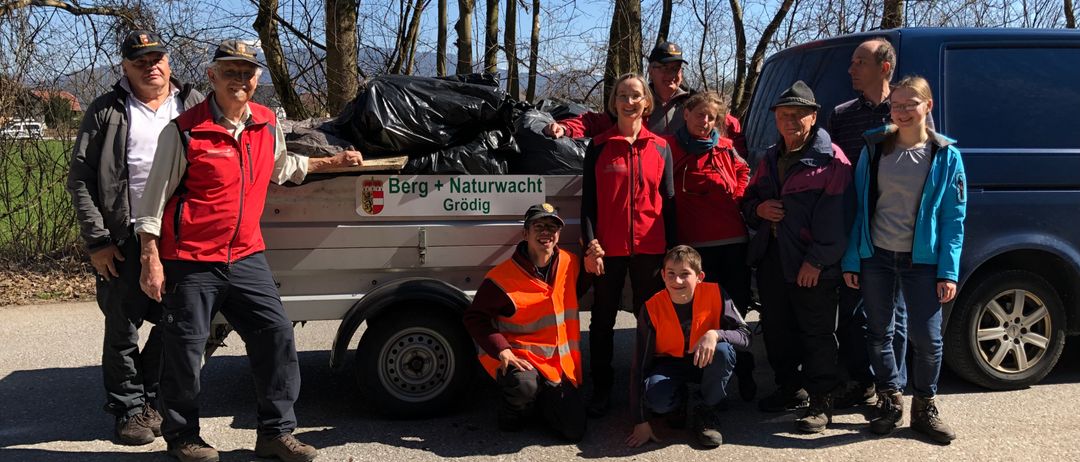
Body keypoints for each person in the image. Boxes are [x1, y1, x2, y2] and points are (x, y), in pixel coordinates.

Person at [136, 40, 362, 462]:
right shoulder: (184, 131)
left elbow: (281, 166)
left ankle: (275, 433)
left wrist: (330, 164)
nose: (239, 80)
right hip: (191, 260)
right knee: (185, 349)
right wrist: (151, 260)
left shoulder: (264, 122)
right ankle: (184, 437)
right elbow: (152, 202)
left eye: (247, 73)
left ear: (257, 78)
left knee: (276, 335)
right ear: (212, 77)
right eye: (230, 72)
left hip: (245, 256)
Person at [66, 29, 204, 446]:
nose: (151, 66)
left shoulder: (194, 104)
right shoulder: (107, 110)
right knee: (123, 327)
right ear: (125, 68)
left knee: (176, 322)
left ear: (169, 63)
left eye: (157, 58)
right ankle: (128, 411)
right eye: (140, 61)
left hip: (181, 235)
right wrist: (98, 241)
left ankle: (148, 398)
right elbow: (81, 179)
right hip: (122, 236)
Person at [842, 75, 965, 444]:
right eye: (896, 104)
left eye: (911, 104)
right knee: (878, 333)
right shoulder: (874, 148)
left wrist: (948, 270)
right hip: (877, 256)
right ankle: (890, 398)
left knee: (928, 340)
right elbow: (859, 209)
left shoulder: (946, 155)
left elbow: (953, 218)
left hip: (923, 262)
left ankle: (924, 406)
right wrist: (853, 259)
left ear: (928, 106)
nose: (902, 111)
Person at [740, 81, 852, 433]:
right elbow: (746, 201)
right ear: (775, 118)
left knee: (816, 334)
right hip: (773, 258)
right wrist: (759, 208)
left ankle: (821, 402)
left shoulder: (833, 160)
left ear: (814, 116)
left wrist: (816, 262)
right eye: (783, 115)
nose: (790, 122)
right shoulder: (770, 158)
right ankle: (790, 389)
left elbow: (839, 220)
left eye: (798, 115)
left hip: (810, 264)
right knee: (777, 330)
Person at [580, 73, 675, 417]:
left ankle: (649, 383)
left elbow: (670, 202)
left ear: (647, 102)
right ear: (614, 102)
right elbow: (588, 203)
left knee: (649, 320)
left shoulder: (662, 147)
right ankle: (602, 387)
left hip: (651, 248)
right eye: (623, 95)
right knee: (602, 320)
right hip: (609, 250)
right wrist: (591, 243)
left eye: (636, 95)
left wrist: (674, 251)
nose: (629, 101)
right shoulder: (600, 145)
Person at [463, 203, 597, 442]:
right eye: (539, 226)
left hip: (558, 368)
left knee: (574, 431)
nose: (546, 232)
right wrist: (502, 350)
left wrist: (591, 264)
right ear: (525, 234)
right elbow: (474, 317)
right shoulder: (502, 278)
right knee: (523, 386)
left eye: (553, 227)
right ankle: (512, 414)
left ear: (558, 235)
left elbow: (575, 290)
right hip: (522, 363)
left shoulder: (569, 263)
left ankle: (541, 402)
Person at [662, 91, 757, 400]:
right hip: (696, 247)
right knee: (705, 313)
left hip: (732, 240)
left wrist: (738, 194)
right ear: (686, 114)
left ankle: (744, 372)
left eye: (711, 117)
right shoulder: (670, 149)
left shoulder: (726, 148)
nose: (705, 122)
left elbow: (745, 173)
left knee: (736, 312)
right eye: (700, 114)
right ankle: (711, 380)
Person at [626, 246, 750, 449]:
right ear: (663, 275)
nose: (677, 281)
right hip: (669, 365)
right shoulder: (651, 307)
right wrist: (640, 420)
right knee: (657, 400)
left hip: (705, 361)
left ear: (699, 276)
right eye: (672, 274)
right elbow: (639, 364)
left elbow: (746, 336)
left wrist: (716, 334)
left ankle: (707, 410)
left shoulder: (716, 293)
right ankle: (678, 401)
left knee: (723, 351)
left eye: (685, 274)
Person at [543, 41, 747, 158]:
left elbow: (731, 127)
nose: (671, 74)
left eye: (676, 69)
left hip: (686, 189)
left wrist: (735, 162)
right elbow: (594, 122)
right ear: (650, 70)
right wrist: (565, 128)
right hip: (647, 181)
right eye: (664, 68)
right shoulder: (637, 103)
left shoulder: (695, 104)